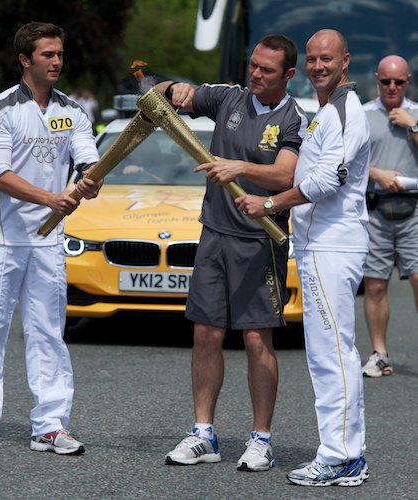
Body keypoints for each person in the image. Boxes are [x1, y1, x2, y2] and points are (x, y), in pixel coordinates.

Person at [157, 34, 309, 471]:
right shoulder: (228, 98)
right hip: (215, 234)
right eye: (253, 65)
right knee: (205, 333)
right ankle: (203, 434)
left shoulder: (294, 118)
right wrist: (175, 88)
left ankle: (261, 439)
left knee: (257, 339)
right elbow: (157, 96)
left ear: (288, 75)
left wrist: (239, 167)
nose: (255, 74)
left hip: (260, 241)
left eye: (266, 69)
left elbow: (285, 175)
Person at [0, 21, 102, 456]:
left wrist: (91, 180)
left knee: (48, 331)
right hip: (0, 238)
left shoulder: (73, 111)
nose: (57, 61)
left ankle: (50, 424)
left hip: (46, 241)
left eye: (60, 54)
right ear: (26, 59)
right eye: (47, 55)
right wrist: (50, 198)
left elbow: (88, 161)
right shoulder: (1, 109)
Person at [237, 29, 369, 487]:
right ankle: (344, 453)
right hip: (317, 244)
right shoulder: (325, 111)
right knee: (326, 353)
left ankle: (342, 457)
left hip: (335, 245)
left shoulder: (347, 110)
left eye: (326, 58)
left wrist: (270, 204)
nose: (317, 66)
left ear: (345, 61)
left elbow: (330, 177)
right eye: (312, 59)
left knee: (332, 353)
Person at [361, 56, 418, 377]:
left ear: (408, 80)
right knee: (376, 285)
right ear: (377, 80)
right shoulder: (364, 114)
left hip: (414, 207)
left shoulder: (416, 113)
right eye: (386, 82)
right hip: (376, 206)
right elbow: (347, 161)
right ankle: (379, 353)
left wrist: (413, 125)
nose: (392, 88)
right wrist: (377, 174)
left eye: (399, 82)